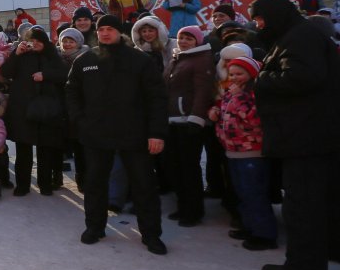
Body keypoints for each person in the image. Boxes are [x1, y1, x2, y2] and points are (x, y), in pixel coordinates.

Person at [250, 0, 339, 270]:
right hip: (310, 134)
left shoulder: (300, 37)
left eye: (260, 18)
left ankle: (305, 267)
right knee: (315, 201)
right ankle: (317, 258)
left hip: (305, 136)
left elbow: (302, 77)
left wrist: (261, 79)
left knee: (302, 204)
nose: (257, 24)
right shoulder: (298, 34)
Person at [65, 14, 169, 255]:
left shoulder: (139, 61)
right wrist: (80, 121)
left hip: (134, 134)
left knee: (144, 185)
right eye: (101, 30)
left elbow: (157, 99)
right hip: (96, 135)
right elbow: (71, 92)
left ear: (120, 33)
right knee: (94, 184)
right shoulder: (85, 60)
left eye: (110, 29)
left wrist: (156, 133)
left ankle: (151, 234)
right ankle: (95, 227)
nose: (105, 33)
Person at [208, 57, 277, 251]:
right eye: (232, 74)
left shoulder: (254, 94)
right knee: (243, 193)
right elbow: (224, 108)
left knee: (255, 193)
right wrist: (214, 110)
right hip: (233, 151)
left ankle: (265, 234)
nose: (235, 78)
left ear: (251, 75)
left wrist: (239, 97)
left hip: (251, 151)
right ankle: (250, 226)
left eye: (240, 74)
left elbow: (254, 120)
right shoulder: (231, 92)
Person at [2, 26, 67, 196]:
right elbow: (6, 72)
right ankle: (23, 185)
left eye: (39, 40)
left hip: (45, 110)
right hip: (23, 109)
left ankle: (45, 184)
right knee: (23, 149)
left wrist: (45, 75)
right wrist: (16, 54)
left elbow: (63, 74)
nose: (35, 44)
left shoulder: (52, 55)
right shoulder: (21, 55)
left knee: (45, 149)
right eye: (32, 40)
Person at [162, 25, 215, 227]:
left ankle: (193, 211)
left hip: (188, 122)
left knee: (189, 168)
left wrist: (196, 118)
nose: (184, 41)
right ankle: (182, 205)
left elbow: (203, 91)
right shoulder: (177, 58)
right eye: (182, 37)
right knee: (174, 167)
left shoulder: (201, 60)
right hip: (172, 120)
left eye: (189, 38)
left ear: (198, 41)